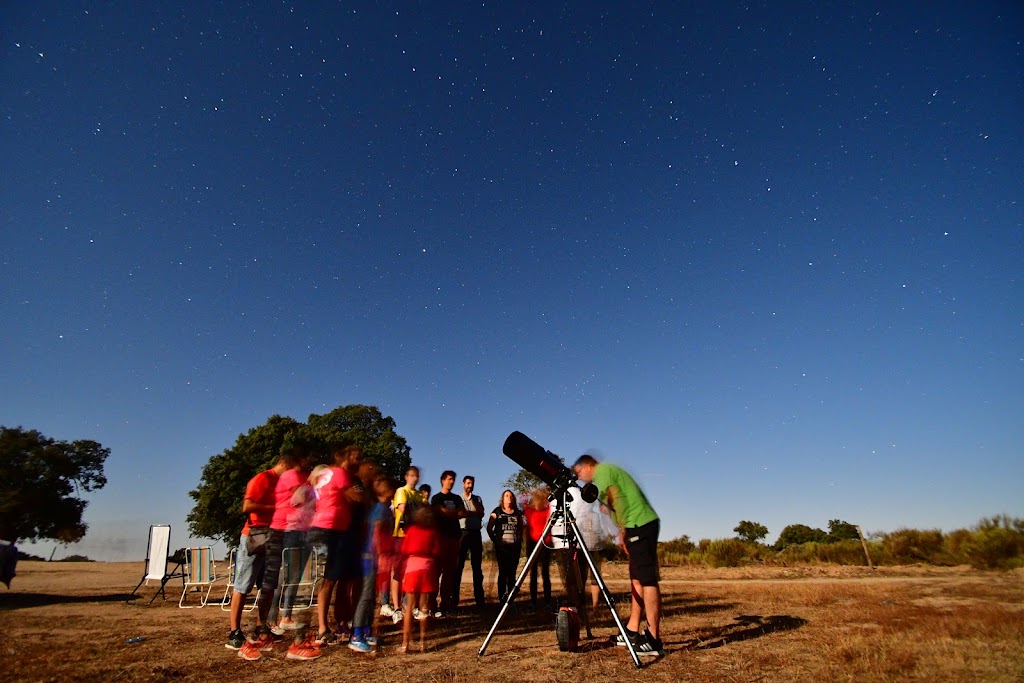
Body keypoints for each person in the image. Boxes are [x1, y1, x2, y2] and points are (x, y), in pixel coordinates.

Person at [573, 454, 664, 657]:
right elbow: (609, 506)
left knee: (647, 580)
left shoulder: (603, 472)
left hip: (638, 523)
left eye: (578, 472)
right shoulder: (606, 474)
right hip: (637, 524)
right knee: (637, 579)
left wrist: (622, 531)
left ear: (588, 466)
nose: (579, 477)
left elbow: (616, 498)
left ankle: (653, 639)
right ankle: (631, 630)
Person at [225, 455, 288, 661]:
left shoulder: (282, 484)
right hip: (253, 537)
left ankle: (262, 629)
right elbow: (247, 506)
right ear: (284, 464)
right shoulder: (261, 479)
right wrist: (275, 509)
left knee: (267, 587)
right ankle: (234, 632)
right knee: (243, 585)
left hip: (271, 538)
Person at [307, 443, 364, 647]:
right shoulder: (340, 473)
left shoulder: (326, 474)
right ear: (345, 457)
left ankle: (333, 625)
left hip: (329, 526)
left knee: (336, 577)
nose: (359, 461)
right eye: (356, 457)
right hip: (331, 528)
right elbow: (355, 497)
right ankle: (322, 628)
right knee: (329, 579)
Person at [349, 467, 392, 653]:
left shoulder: (381, 508)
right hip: (371, 557)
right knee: (366, 596)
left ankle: (365, 631)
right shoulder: (381, 508)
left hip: (372, 556)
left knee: (371, 597)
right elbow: (376, 532)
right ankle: (356, 635)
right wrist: (382, 554)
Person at [399, 506, 441, 653]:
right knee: (424, 607)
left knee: (409, 607)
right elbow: (436, 551)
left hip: (413, 567)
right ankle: (423, 643)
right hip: (427, 567)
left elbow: (404, 550)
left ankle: (405, 644)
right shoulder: (433, 532)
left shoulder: (412, 531)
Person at [390, 465, 424, 619]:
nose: (414, 478)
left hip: (415, 537)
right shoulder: (401, 491)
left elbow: (424, 513)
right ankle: (397, 608)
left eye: (416, 475)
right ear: (406, 476)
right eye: (411, 475)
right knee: (398, 572)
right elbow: (403, 508)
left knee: (413, 572)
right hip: (401, 536)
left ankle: (411, 605)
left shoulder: (418, 495)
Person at [430, 470, 464, 617]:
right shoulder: (436, 498)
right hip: (440, 537)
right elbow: (440, 511)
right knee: (436, 572)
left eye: (453, 479)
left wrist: (450, 513)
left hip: (454, 537)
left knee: (450, 573)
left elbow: (462, 513)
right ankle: (432, 605)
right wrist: (453, 513)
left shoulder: (456, 498)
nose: (452, 482)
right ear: (443, 480)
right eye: (449, 479)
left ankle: (445, 603)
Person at [487, 489, 524, 605]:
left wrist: (518, 540)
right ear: (502, 498)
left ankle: (511, 599)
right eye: (506, 496)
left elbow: (521, 528)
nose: (509, 497)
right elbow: (489, 528)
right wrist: (495, 540)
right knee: (503, 572)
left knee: (512, 573)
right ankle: (502, 598)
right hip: (502, 548)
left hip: (514, 548)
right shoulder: (497, 511)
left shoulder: (517, 513)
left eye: (511, 496)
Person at [456, 475, 486, 610]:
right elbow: (460, 513)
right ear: (463, 484)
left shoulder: (477, 498)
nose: (470, 486)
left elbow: (481, 513)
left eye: (472, 483)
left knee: (477, 567)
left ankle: (480, 600)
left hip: (475, 533)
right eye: (468, 483)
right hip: (462, 533)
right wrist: (472, 513)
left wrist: (472, 503)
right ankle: (454, 599)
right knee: (458, 566)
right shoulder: (458, 498)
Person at [522, 487, 553, 611]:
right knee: (533, 573)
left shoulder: (549, 510)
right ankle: (533, 601)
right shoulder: (529, 511)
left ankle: (547, 601)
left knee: (545, 573)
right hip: (532, 544)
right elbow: (523, 499)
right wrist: (529, 492)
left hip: (545, 544)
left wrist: (547, 493)